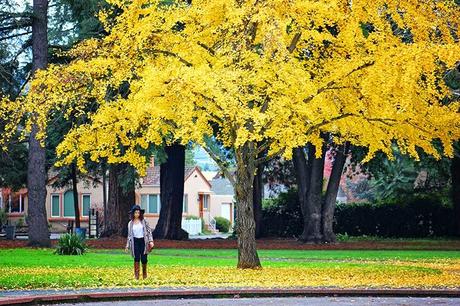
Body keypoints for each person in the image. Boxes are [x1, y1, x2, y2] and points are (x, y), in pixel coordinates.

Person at [125, 204, 154, 279]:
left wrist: (151, 241)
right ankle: (136, 276)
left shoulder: (144, 221)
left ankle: (144, 275)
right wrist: (127, 246)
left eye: (138, 212)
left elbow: (149, 231)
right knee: (136, 258)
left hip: (143, 241)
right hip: (135, 242)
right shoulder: (130, 223)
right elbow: (129, 236)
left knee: (144, 258)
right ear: (133, 213)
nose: (137, 214)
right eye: (135, 213)